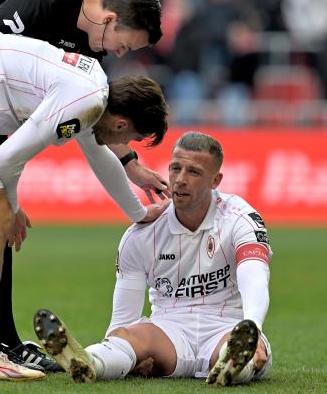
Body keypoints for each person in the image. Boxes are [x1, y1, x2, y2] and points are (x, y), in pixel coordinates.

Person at [0, 0, 167, 369]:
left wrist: (130, 164)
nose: (114, 55)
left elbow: (92, 134)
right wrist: (10, 200)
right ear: (109, 19)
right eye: (123, 46)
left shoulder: (89, 48)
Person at [34, 131, 272, 386]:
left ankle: (234, 361)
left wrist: (253, 327)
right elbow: (123, 318)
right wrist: (122, 349)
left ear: (216, 180)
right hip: (170, 331)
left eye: (193, 172)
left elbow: (254, 277)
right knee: (127, 338)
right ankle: (91, 362)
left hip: (227, 326)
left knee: (241, 351)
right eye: (175, 168)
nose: (180, 180)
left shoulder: (241, 218)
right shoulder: (141, 234)